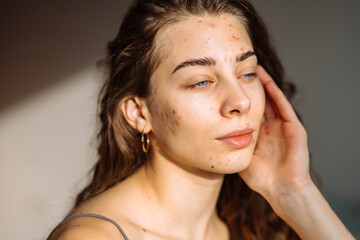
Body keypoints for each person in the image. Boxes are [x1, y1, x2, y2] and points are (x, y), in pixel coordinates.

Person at [48, 0, 355, 239]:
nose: (241, 101)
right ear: (140, 113)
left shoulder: (254, 226)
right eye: (200, 82)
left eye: (247, 74)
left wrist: (295, 194)